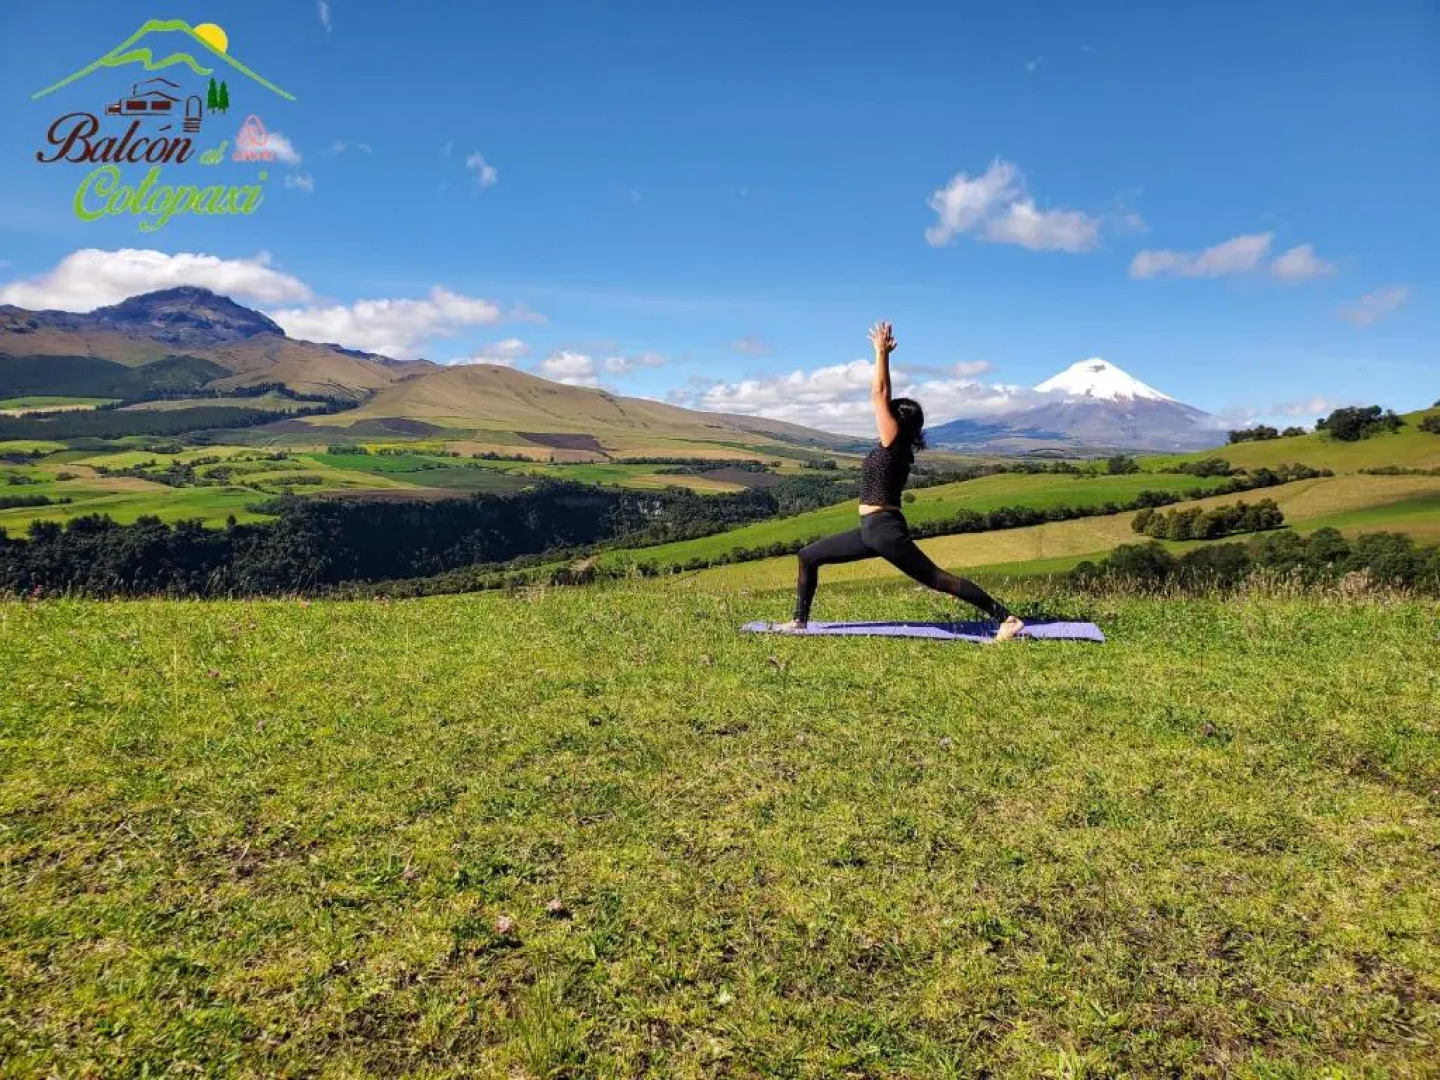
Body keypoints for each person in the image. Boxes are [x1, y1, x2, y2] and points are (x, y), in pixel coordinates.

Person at [776, 321, 1025, 642]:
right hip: (871, 530)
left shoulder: (894, 442)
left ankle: (1007, 618)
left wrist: (881, 354)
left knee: (937, 580)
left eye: (889, 414)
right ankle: (799, 622)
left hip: (884, 530)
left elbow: (878, 393)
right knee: (808, 555)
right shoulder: (898, 446)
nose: (881, 416)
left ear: (897, 421)